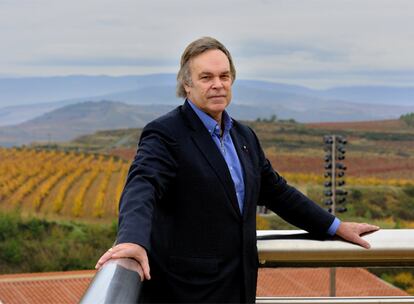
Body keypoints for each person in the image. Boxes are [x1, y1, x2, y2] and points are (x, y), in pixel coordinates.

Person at [95, 37, 379, 303]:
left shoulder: (244, 137)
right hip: (186, 292)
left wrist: (334, 226)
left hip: (239, 288)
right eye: (206, 77)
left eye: (224, 76)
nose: (217, 84)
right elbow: (142, 185)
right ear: (186, 85)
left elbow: (278, 192)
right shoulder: (166, 133)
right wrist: (132, 240)